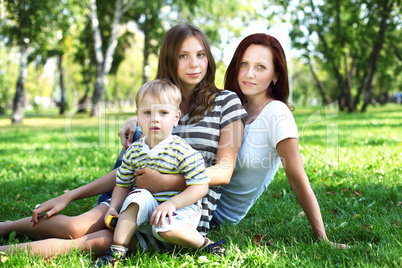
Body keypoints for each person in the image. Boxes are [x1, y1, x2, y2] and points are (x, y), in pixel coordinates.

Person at [0, 24, 246, 257]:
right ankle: (8, 227)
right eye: (184, 56)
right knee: (76, 227)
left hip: (180, 212)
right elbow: (128, 170)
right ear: (170, 59)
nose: (194, 64)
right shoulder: (157, 106)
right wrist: (71, 195)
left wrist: (165, 181)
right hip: (133, 198)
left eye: (201, 54)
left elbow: (224, 171)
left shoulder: (226, 102)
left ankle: (6, 253)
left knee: (96, 242)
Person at [209, 33, 347, 248]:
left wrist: (323, 239)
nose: (249, 74)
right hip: (193, 196)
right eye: (244, 64)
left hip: (214, 218)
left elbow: (297, 179)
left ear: (275, 76)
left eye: (260, 67)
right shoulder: (230, 105)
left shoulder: (277, 114)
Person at [93, 79, 221, 267]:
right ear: (138, 117)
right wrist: (113, 207)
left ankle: (205, 244)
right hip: (150, 211)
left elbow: (200, 187)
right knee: (138, 195)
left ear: (176, 117)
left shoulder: (182, 150)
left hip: (181, 212)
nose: (155, 119)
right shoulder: (134, 152)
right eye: (147, 113)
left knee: (163, 226)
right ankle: (117, 251)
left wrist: (171, 204)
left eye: (163, 113)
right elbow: (123, 184)